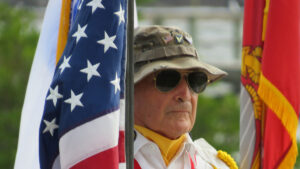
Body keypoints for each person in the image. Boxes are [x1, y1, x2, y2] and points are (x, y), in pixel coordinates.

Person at [133, 25, 238, 169]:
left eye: (196, 80)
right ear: (129, 88)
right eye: (168, 79)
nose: (185, 94)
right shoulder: (101, 159)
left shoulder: (214, 165)